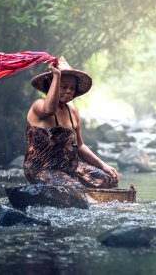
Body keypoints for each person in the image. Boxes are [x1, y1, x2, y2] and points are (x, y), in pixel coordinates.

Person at [23, 57, 120, 203]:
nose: (68, 91)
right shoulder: (39, 105)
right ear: (52, 85)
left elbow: (80, 145)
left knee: (107, 179)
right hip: (42, 169)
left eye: (72, 88)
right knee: (73, 188)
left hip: (69, 166)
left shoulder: (72, 111)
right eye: (63, 86)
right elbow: (49, 109)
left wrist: (103, 165)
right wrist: (56, 75)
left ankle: (93, 199)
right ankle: (93, 204)